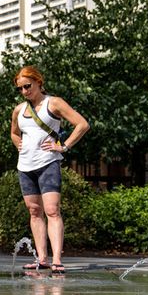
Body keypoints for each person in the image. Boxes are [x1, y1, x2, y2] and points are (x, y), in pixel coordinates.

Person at [10, 65, 89, 274]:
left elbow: (82, 124)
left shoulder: (53, 103)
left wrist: (63, 146)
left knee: (52, 210)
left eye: (27, 86)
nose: (24, 91)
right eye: (20, 88)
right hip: (25, 166)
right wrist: (18, 142)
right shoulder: (19, 109)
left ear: (38, 82)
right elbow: (14, 133)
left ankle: (57, 260)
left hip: (48, 163)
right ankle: (42, 259)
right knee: (34, 211)